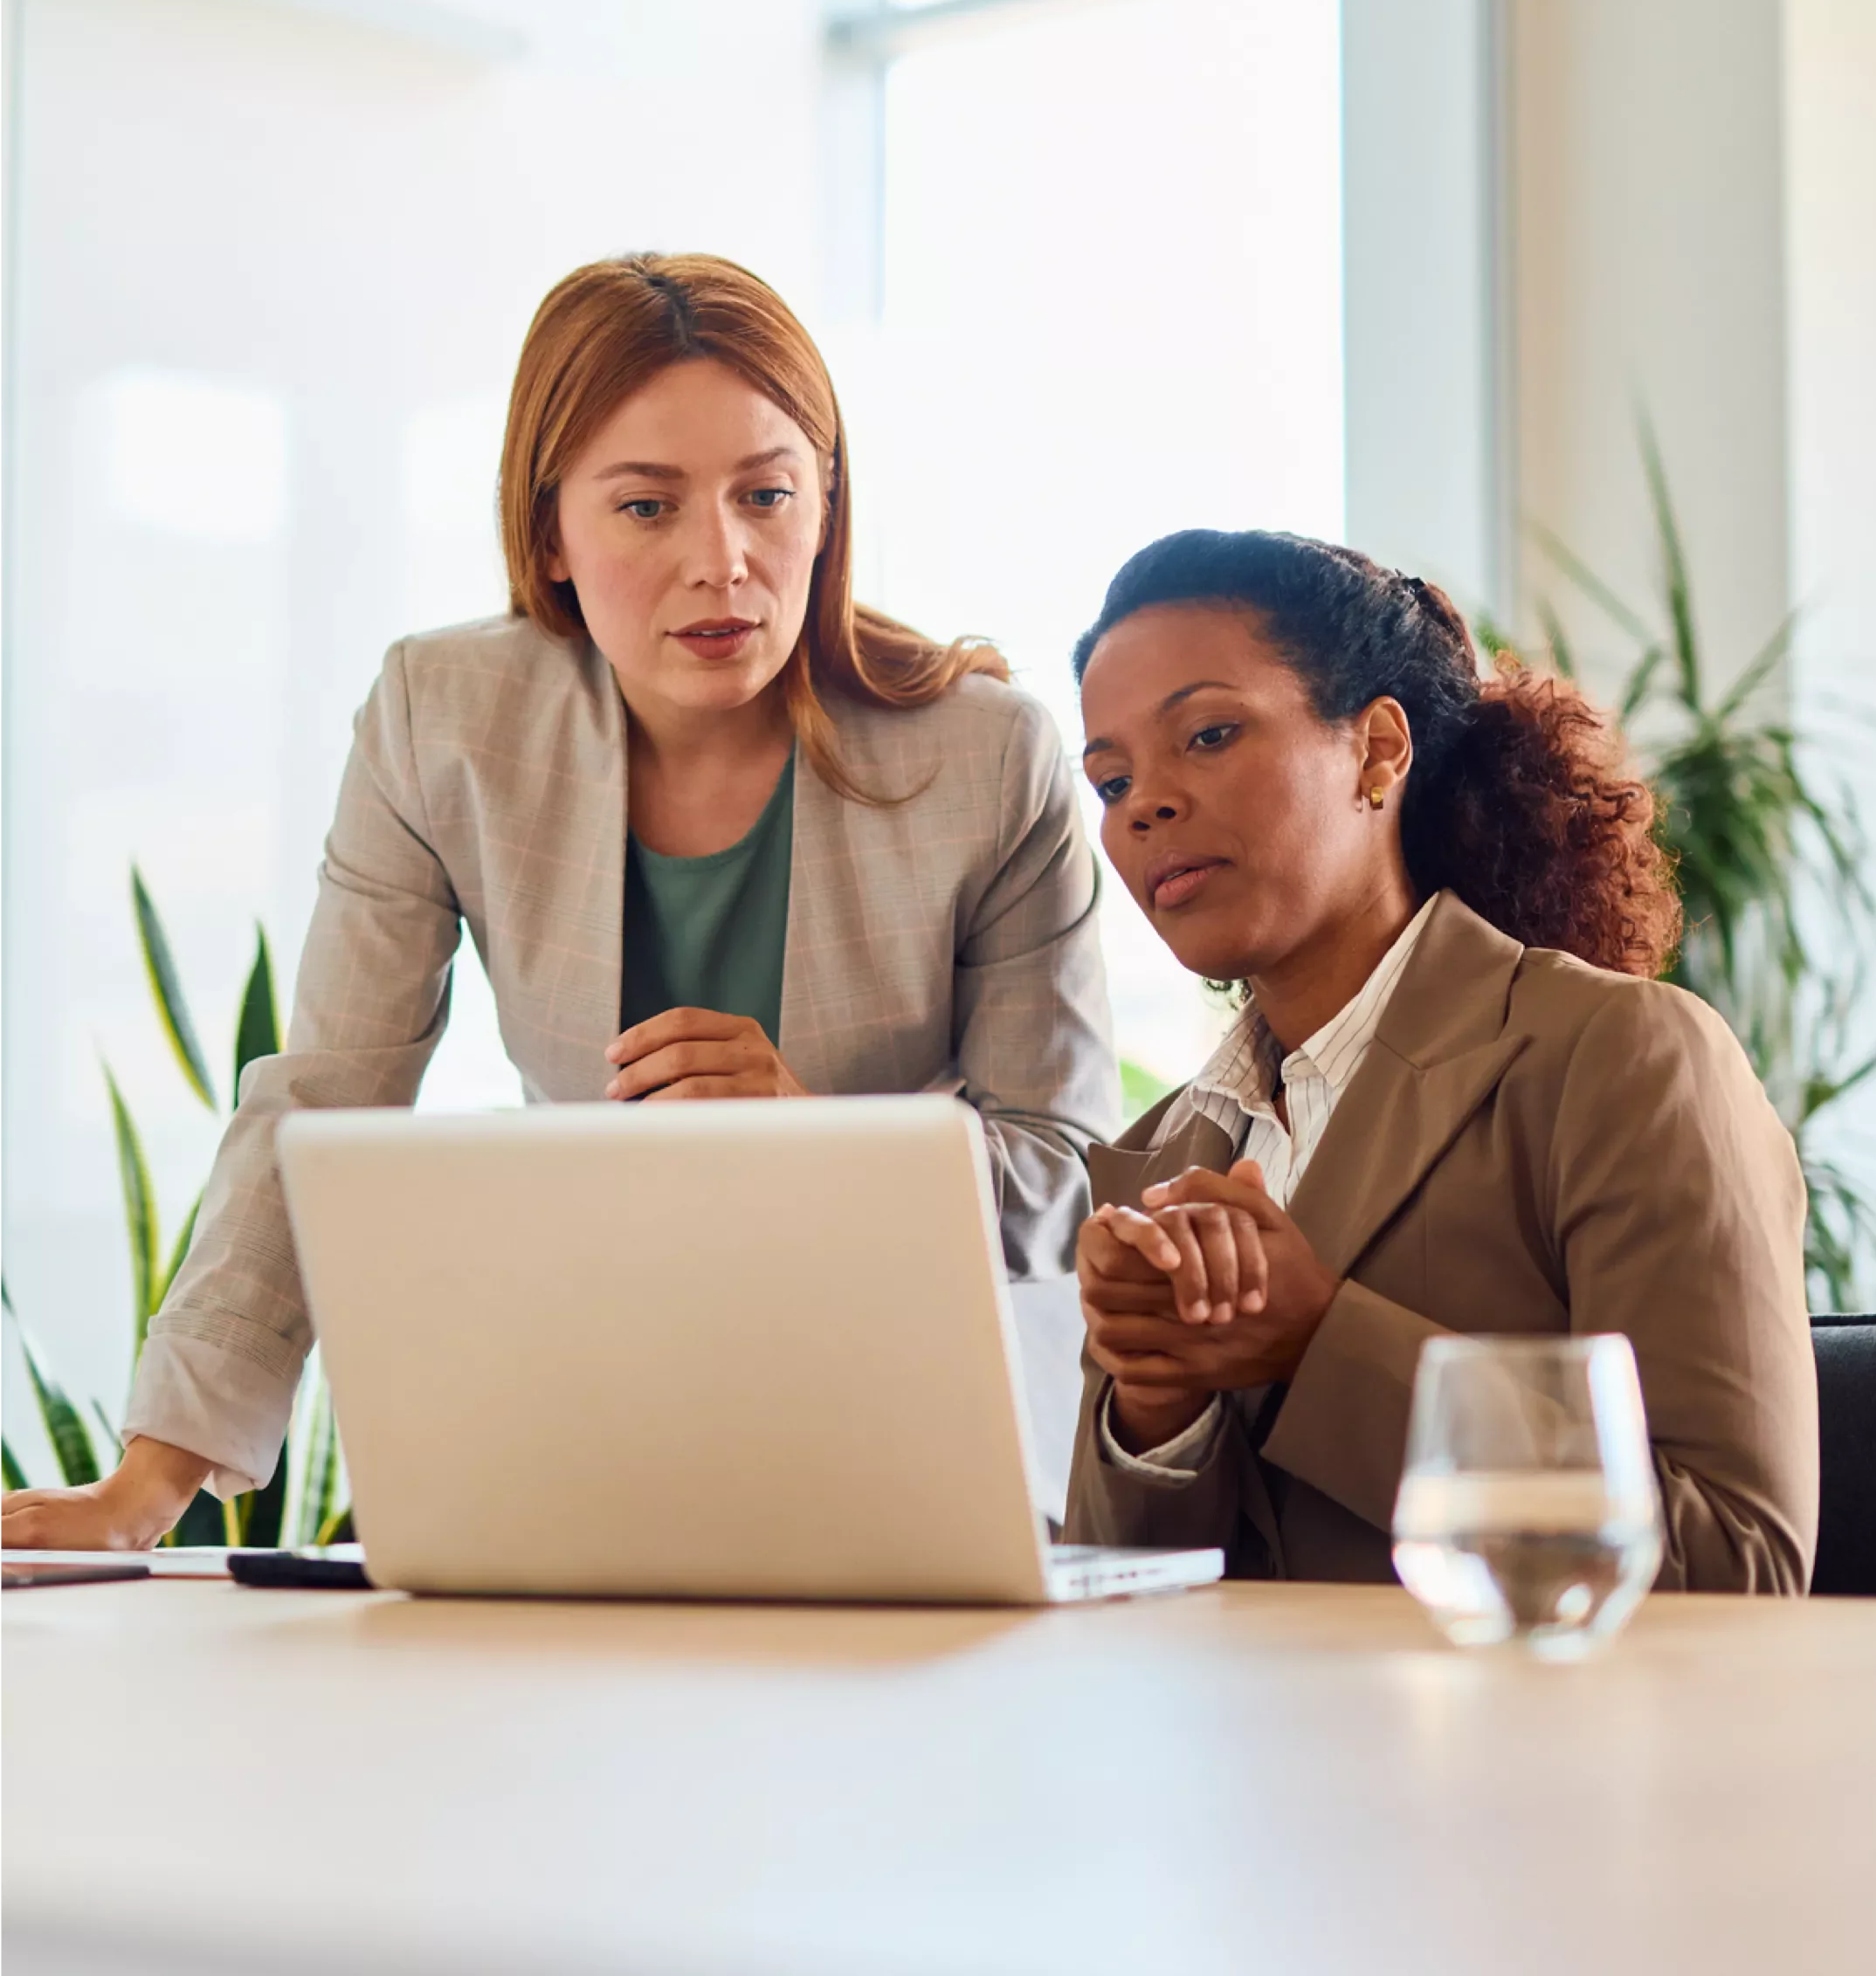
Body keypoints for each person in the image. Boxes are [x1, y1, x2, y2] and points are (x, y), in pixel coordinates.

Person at [0, 253, 1117, 1552]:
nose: (725, 561)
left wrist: (822, 1138)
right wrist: (147, 1487)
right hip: (606, 1437)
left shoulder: (984, 756)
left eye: (768, 494)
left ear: (827, 505)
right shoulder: (445, 721)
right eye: (647, 508)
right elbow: (320, 1099)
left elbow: (1067, 1171)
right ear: (550, 534)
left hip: (932, 1447)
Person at [1061, 527, 1817, 1591]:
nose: (1145, 804)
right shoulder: (1154, 1157)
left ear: (1377, 747)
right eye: (1109, 780)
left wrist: (1317, 1343)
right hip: (1239, 1756)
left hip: (1530, 1754)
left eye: (1211, 733)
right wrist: (1157, 1409)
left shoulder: (1624, 1060)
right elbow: (1118, 1615)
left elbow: (1738, 1560)